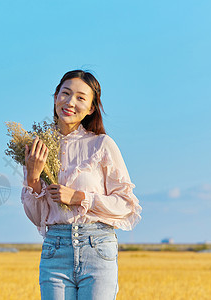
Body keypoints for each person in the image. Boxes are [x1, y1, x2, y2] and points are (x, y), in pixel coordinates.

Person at [21, 70, 142, 299]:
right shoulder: (37, 149)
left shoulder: (102, 145)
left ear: (91, 108)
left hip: (97, 247)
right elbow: (38, 218)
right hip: (55, 249)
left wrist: (79, 197)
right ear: (55, 96)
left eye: (80, 98)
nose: (70, 102)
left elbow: (127, 204)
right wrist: (33, 178)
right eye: (65, 93)